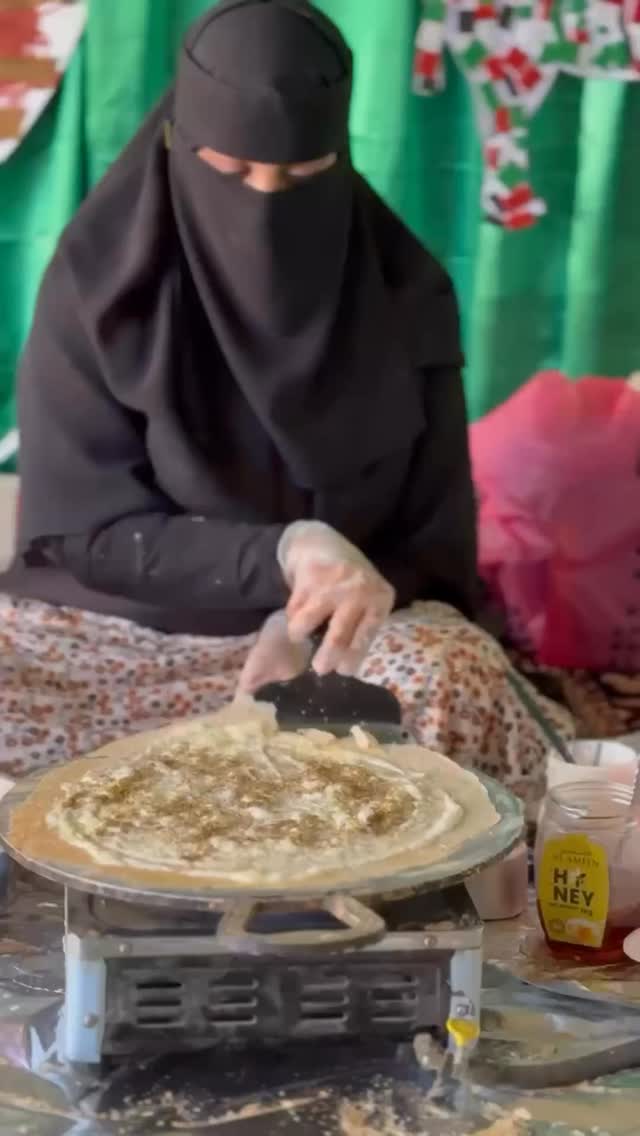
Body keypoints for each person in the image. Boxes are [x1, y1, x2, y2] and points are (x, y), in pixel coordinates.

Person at [0, 0, 571, 803]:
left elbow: (435, 550)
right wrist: (282, 553)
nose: (264, 204)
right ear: (175, 140)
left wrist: (301, 620)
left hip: (338, 647)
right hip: (123, 635)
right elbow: (81, 532)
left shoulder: (405, 294)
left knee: (450, 671)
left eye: (304, 176)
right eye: (230, 172)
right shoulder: (103, 286)